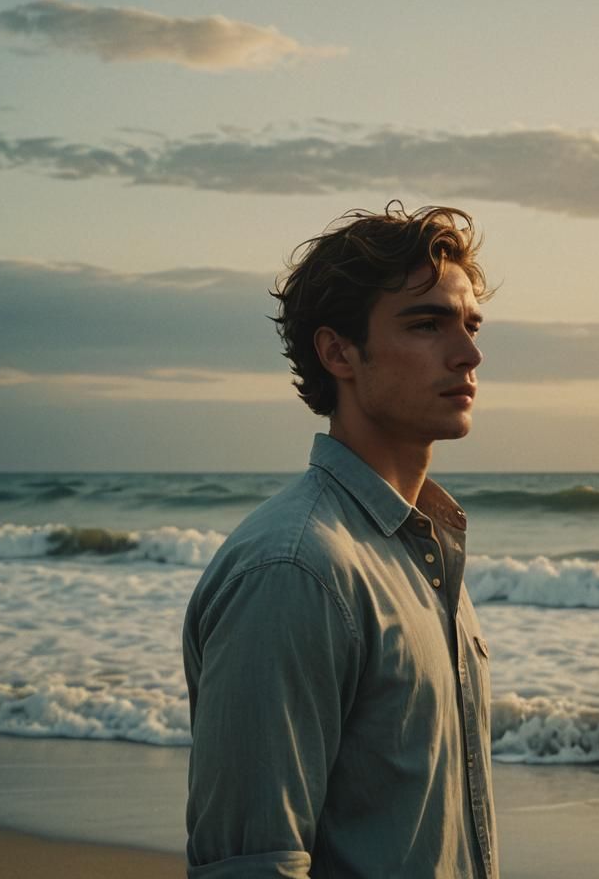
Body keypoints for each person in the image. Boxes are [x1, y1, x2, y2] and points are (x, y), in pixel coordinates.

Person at [182, 203, 498, 878]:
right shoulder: (297, 571)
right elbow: (253, 865)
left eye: (470, 325)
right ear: (338, 352)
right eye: (427, 324)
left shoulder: (421, 553)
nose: (469, 353)